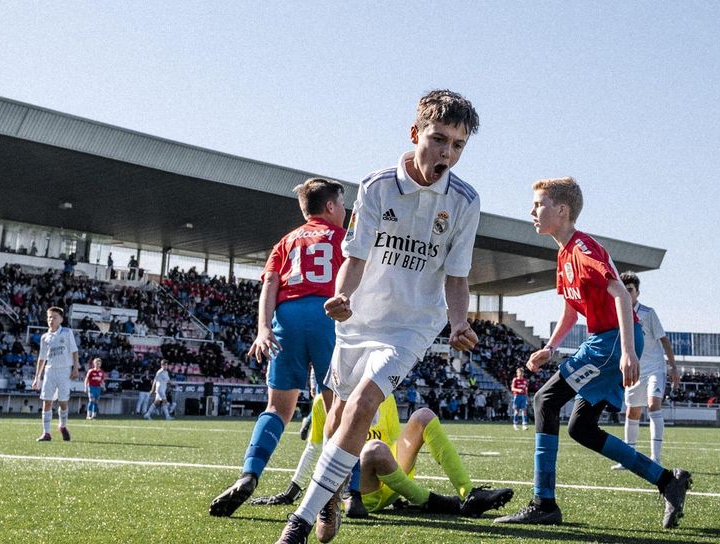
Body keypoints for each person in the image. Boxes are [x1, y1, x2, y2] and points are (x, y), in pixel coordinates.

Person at [275, 90, 484, 544]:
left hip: (412, 325)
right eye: (439, 139)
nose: (448, 153)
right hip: (359, 318)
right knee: (337, 413)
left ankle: (300, 522)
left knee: (366, 402)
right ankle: (330, 499)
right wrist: (342, 296)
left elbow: (457, 275)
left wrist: (460, 321)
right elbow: (355, 255)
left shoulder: (465, 202)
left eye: (458, 146)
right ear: (415, 134)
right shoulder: (376, 186)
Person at [495, 178, 691, 529]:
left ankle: (544, 503)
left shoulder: (583, 248)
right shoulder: (563, 253)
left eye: (539, 204)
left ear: (562, 210)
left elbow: (619, 293)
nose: (532, 211)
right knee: (581, 428)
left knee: (545, 400)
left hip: (611, 341)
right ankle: (667, 481)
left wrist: (628, 351)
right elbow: (572, 310)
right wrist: (550, 347)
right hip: (604, 340)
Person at [210, 177, 347, 517]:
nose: (344, 211)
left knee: (277, 409)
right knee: (339, 410)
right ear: (330, 206)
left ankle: (249, 474)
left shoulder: (285, 241)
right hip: (328, 315)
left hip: (287, 318)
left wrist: (262, 329)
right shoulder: (343, 238)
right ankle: (348, 494)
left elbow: (270, 283)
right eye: (342, 204)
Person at [255, 390, 512, 520]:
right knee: (372, 448)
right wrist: (291, 491)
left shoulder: (383, 394)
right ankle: (438, 502)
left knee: (423, 415)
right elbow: (314, 450)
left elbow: (391, 440)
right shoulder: (326, 400)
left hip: (388, 478)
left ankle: (469, 494)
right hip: (359, 494)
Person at [612, 272, 679, 468]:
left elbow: (664, 340)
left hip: (655, 368)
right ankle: (627, 457)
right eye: (624, 290)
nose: (627, 293)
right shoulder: (617, 313)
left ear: (637, 292)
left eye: (630, 290)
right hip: (636, 369)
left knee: (653, 405)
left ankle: (655, 458)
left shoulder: (648, 313)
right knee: (632, 412)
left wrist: (673, 367)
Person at [31, 306, 79, 442]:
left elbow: (74, 351)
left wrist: (75, 368)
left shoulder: (67, 332)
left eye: (54, 317)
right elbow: (42, 358)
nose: (51, 320)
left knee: (63, 401)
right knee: (47, 401)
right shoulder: (45, 337)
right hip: (50, 371)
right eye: (49, 317)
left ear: (61, 319)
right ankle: (46, 433)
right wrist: (37, 377)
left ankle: (62, 426)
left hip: (64, 371)